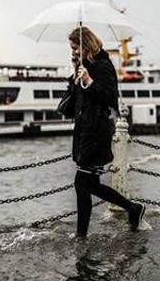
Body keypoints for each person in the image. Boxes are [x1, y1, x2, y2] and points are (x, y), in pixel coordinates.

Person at [60, 26, 145, 238]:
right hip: (84, 132)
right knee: (89, 184)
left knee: (82, 183)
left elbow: (109, 98)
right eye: (71, 48)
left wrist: (89, 81)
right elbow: (76, 103)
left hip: (96, 133)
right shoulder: (83, 66)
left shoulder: (104, 66)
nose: (73, 52)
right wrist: (75, 76)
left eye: (75, 47)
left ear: (85, 45)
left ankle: (82, 235)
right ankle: (132, 209)